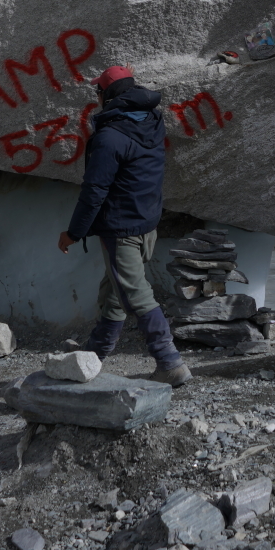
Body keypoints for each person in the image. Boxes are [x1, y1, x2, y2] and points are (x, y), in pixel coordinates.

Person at [59, 65, 189, 385]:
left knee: (135, 295)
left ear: (107, 94)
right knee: (116, 290)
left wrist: (73, 233)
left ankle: (170, 362)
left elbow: (94, 193)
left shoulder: (110, 137)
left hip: (122, 229)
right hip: (147, 224)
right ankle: (94, 355)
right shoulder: (152, 121)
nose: (97, 97)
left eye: (98, 92)